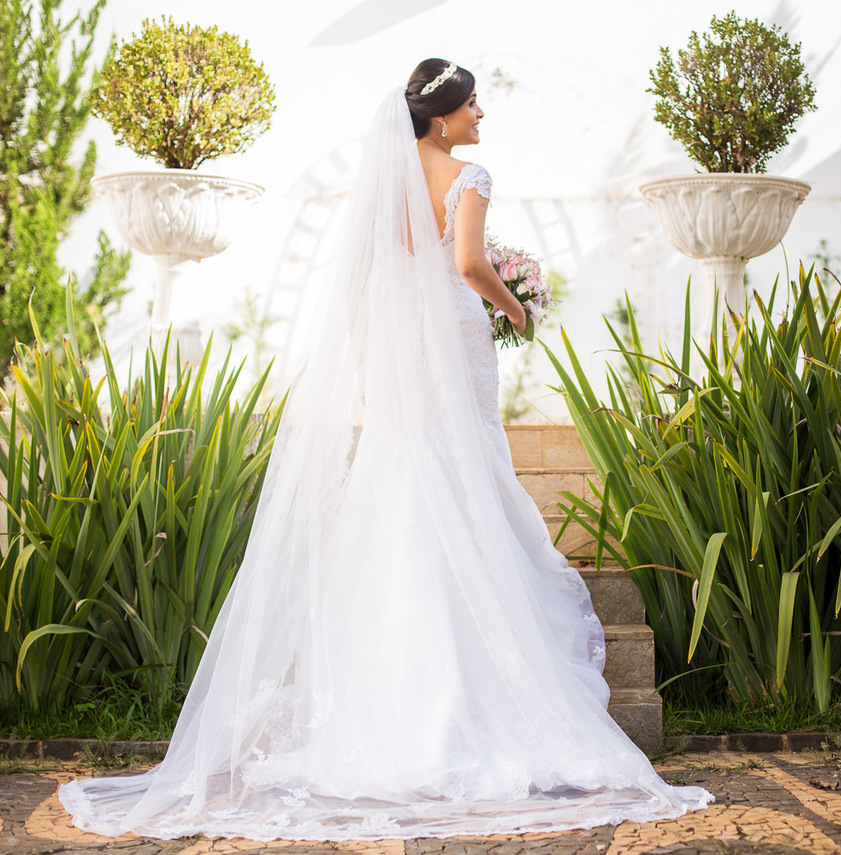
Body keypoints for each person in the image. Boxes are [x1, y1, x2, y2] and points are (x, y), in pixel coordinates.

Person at [56, 58, 716, 842]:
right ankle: (470, 700)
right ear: (442, 118)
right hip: (455, 338)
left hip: (407, 351)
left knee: (405, 484)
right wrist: (516, 306)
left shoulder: (386, 180)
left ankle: (389, 702)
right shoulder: (469, 174)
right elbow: (467, 265)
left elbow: (371, 281)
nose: (480, 116)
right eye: (472, 105)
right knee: (464, 480)